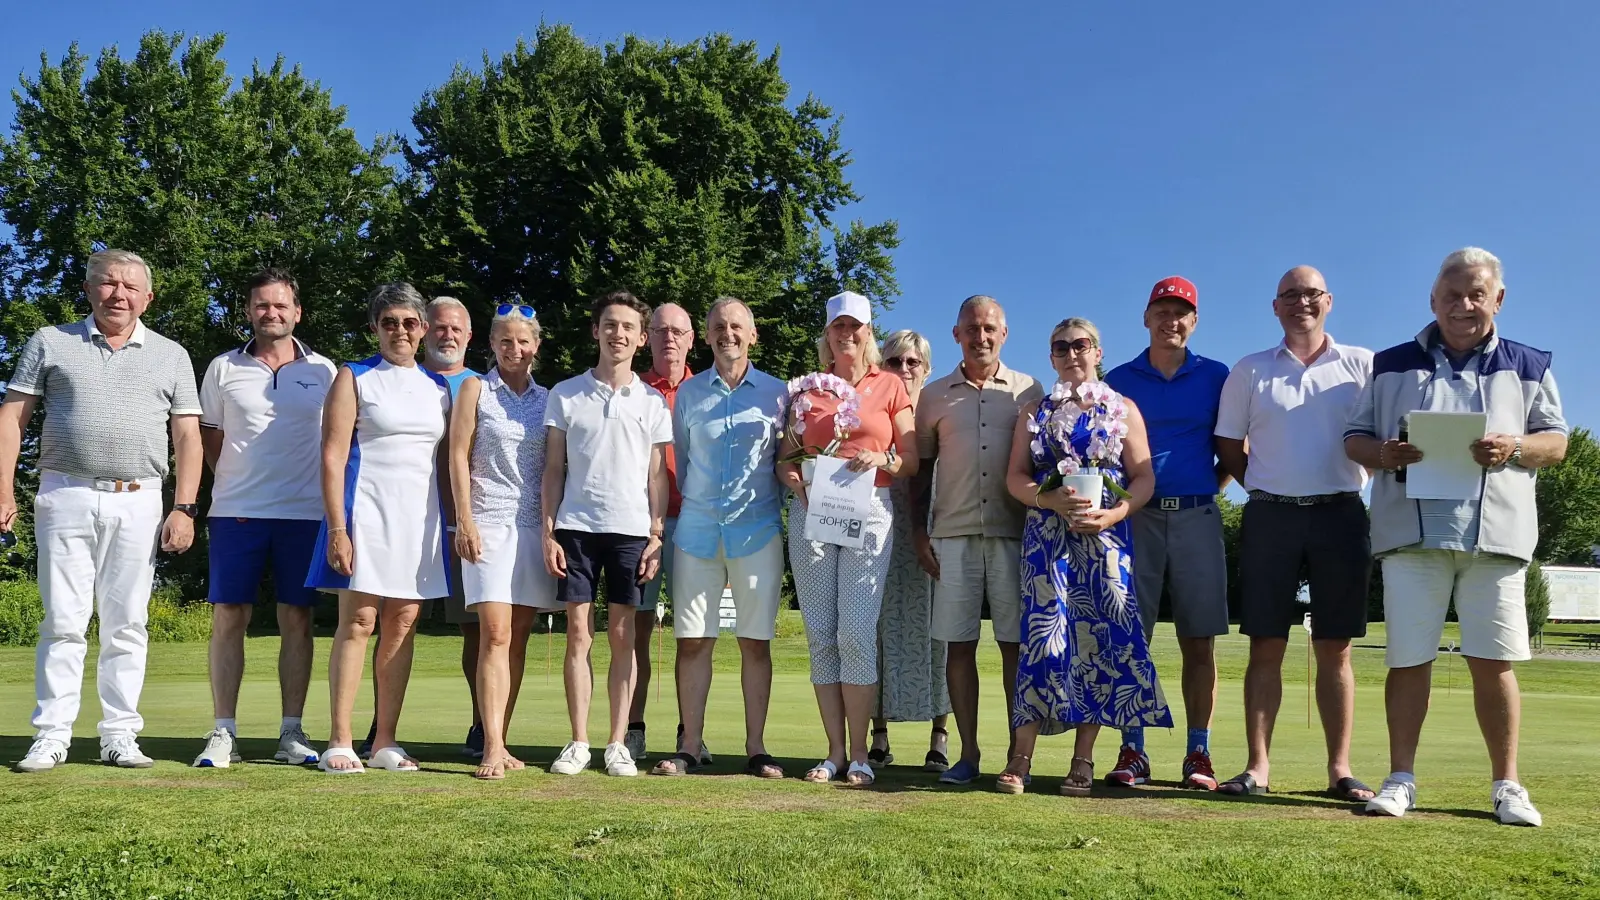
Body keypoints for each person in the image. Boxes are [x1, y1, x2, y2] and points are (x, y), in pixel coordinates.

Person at [1344, 248, 1565, 826]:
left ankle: (1508, 786)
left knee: (1493, 661)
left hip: (1496, 538)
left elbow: (1555, 443)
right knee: (1408, 659)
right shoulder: (1389, 363)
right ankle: (1400, 779)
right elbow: (1356, 439)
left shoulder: (1530, 363)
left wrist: (1514, 447)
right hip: (1410, 535)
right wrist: (1385, 453)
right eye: (1451, 296)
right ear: (1432, 301)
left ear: (1498, 298)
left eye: (1476, 294)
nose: (1463, 306)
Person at [5, 249, 203, 773]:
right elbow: (12, 419)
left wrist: (184, 507)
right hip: (63, 493)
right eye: (108, 283)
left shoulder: (171, 354)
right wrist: (4, 491)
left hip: (141, 498)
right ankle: (51, 735)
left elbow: (187, 436)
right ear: (90, 289)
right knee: (64, 621)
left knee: (127, 623)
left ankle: (119, 735)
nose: (119, 294)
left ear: (147, 297)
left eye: (130, 286)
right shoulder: (50, 342)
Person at [1213, 266, 1376, 800]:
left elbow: (1378, 437)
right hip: (1270, 516)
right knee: (1266, 644)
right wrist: (1264, 484)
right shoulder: (1250, 370)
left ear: (1328, 300)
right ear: (1275, 306)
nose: (1300, 302)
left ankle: (1340, 770)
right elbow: (1229, 446)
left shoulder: (1363, 365)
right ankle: (1258, 767)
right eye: (1290, 295)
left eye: (1310, 294)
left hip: (1341, 515)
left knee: (1337, 648)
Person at [995, 318, 1168, 795]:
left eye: (1081, 345)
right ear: (1051, 357)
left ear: (1098, 352)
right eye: (1061, 347)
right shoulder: (1035, 410)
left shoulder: (1124, 408)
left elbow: (1144, 478)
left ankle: (1083, 759)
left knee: (1097, 644)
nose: (1072, 353)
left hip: (1106, 540)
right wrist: (1046, 500)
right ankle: (1020, 757)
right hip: (1047, 538)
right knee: (1041, 643)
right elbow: (1014, 477)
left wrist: (1114, 516)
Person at [192, 268, 336, 769]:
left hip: (305, 513)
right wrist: (234, 478)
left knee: (297, 618)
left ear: (297, 312)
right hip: (236, 512)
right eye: (261, 305)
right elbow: (209, 437)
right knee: (230, 616)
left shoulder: (325, 370)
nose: (270, 313)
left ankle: (291, 732)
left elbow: (336, 443)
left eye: (280, 305)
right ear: (249, 311)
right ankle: (223, 731)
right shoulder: (222, 368)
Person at [307, 283, 451, 774]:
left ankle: (385, 739)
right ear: (375, 328)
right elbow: (331, 456)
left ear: (423, 329)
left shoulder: (437, 388)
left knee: (404, 622)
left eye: (409, 323)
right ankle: (340, 740)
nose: (400, 331)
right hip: (365, 514)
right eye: (389, 322)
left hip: (419, 522)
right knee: (359, 621)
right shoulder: (355, 377)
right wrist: (337, 528)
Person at [779, 291, 918, 787]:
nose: (848, 335)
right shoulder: (806, 390)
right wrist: (793, 478)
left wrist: (883, 460)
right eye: (839, 326)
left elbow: (911, 459)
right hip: (812, 514)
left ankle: (861, 753)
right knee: (821, 632)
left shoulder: (891, 386)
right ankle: (834, 752)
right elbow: (786, 458)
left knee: (856, 630)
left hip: (869, 512)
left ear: (868, 331)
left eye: (856, 326)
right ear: (828, 334)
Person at [649, 297, 788, 778]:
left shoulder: (778, 394)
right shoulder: (689, 395)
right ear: (705, 337)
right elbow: (682, 467)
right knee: (693, 642)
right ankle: (689, 745)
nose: (727, 334)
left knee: (755, 643)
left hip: (758, 532)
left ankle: (756, 747)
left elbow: (784, 463)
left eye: (736, 327)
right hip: (697, 533)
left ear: (752, 335)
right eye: (718, 327)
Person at [1103, 276, 1231, 790]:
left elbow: (1230, 447)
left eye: (1181, 312)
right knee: (1134, 638)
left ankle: (1198, 752)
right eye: (1162, 311)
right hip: (1136, 519)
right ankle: (1133, 749)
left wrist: (1205, 488)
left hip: (1197, 515)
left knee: (1199, 641)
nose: (1170, 320)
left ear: (1194, 321)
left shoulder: (1218, 376)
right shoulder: (1119, 379)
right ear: (1146, 317)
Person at [911, 295, 1041, 786]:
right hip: (952, 535)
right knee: (958, 648)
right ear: (956, 334)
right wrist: (918, 531)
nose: (980, 337)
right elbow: (921, 473)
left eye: (989, 328)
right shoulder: (935, 394)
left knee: (1014, 648)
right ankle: (967, 754)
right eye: (971, 328)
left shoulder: (1030, 389)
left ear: (1004, 334)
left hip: (1015, 537)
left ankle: (1016, 757)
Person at [543, 291, 672, 778]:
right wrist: (548, 529)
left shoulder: (652, 401)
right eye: (609, 325)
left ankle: (617, 743)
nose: (618, 334)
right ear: (595, 330)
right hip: (575, 529)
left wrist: (656, 534)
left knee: (623, 636)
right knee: (579, 634)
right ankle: (578, 741)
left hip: (632, 532)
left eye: (628, 328)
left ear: (641, 338)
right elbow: (554, 469)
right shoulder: (566, 393)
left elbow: (657, 476)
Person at [357, 296, 480, 759]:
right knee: (390, 621)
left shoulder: (480, 386)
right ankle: (379, 728)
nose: (447, 335)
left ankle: (482, 725)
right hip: (406, 522)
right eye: (441, 327)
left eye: (457, 329)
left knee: (477, 630)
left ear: (469, 337)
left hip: (466, 527)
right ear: (428, 331)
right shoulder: (398, 383)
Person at [448, 302, 559, 780]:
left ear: (536, 345)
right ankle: (490, 745)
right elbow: (456, 454)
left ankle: (503, 739)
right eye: (505, 341)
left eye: (523, 340)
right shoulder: (475, 387)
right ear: (490, 344)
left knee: (517, 642)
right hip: (487, 523)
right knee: (493, 634)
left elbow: (555, 468)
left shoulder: (549, 397)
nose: (515, 349)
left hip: (534, 527)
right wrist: (464, 521)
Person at [869, 329, 952, 772]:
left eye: (912, 362)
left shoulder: (938, 412)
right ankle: (877, 733)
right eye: (895, 361)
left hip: (937, 529)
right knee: (878, 627)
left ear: (926, 368)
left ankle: (940, 735)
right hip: (881, 527)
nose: (903, 370)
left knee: (941, 629)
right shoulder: (874, 411)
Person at [629, 302, 699, 765]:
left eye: (678, 331)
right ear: (646, 338)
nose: (669, 339)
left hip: (696, 525)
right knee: (635, 629)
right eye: (660, 331)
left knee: (691, 635)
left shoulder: (708, 389)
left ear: (692, 338)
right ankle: (633, 729)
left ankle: (688, 734)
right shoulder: (632, 389)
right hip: (641, 526)